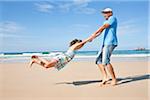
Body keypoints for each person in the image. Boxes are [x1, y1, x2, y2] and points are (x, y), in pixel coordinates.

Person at [89, 8, 118, 86]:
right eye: (103, 13)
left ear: (110, 13)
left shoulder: (113, 18)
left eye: (106, 12)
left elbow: (104, 26)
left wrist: (94, 32)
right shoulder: (106, 21)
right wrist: (92, 37)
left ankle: (114, 79)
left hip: (110, 42)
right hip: (105, 43)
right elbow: (101, 31)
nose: (104, 14)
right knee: (98, 60)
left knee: (106, 61)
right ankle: (105, 77)